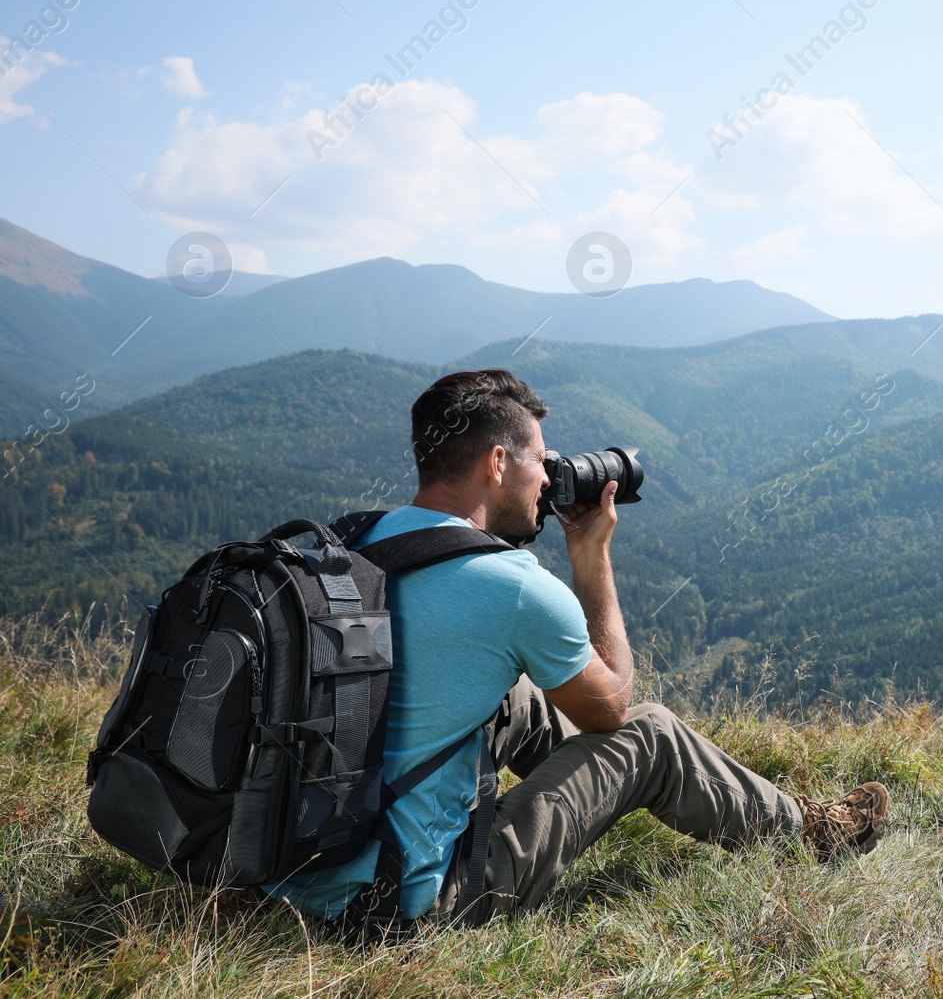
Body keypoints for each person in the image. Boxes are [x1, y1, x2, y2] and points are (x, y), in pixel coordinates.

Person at [269, 369, 889, 930]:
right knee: (650, 735)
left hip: (298, 872)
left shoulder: (354, 541)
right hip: (413, 900)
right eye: (539, 459)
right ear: (496, 462)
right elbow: (613, 707)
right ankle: (813, 833)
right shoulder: (511, 585)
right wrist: (591, 561)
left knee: (514, 693)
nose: (547, 475)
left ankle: (609, 786)